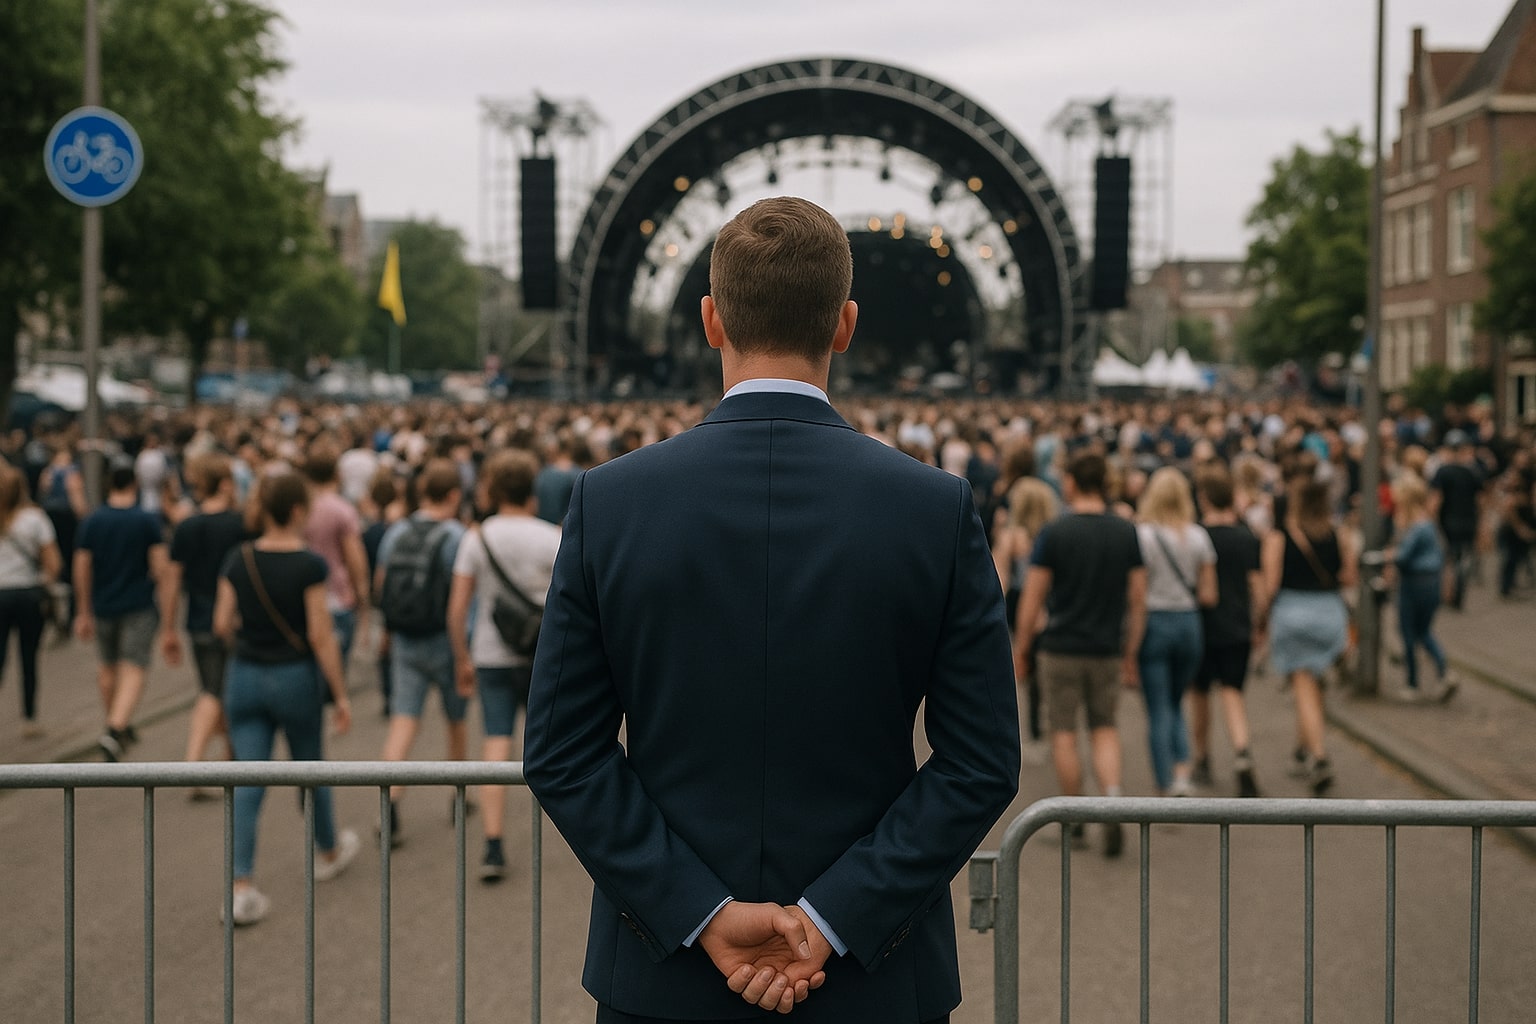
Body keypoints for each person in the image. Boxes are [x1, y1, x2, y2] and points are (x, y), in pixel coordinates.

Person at [524, 197, 1019, 1023]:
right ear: (845, 324)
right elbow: (981, 759)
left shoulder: (611, 501)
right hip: (872, 978)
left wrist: (698, 909)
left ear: (712, 319)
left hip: (665, 977)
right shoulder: (933, 507)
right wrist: (834, 915)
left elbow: (562, 751)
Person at [213, 472, 359, 925]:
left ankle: (241, 885)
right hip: (294, 676)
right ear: (297, 512)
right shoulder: (308, 565)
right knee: (310, 766)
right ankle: (327, 850)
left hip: (246, 675)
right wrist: (340, 694)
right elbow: (320, 635)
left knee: (248, 778)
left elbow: (221, 623)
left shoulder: (238, 559)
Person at [1014, 448, 1144, 859]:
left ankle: (1076, 819)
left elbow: (1033, 598)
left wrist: (1021, 648)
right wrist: (1130, 650)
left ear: (1071, 483)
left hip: (1061, 647)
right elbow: (1138, 599)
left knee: (1064, 732)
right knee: (1105, 727)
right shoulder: (1126, 532)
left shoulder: (1056, 532)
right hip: (1106, 646)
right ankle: (1111, 798)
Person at [446, 449, 561, 883]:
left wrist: (461, 656)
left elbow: (457, 608)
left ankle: (492, 842)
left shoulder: (477, 538)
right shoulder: (549, 536)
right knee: (552, 748)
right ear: (530, 490)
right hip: (541, 655)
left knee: (496, 741)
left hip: (491, 653)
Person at [374, 459, 468, 847]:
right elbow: (462, 600)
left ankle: (389, 801)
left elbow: (382, 585)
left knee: (404, 721)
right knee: (455, 720)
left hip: (407, 640)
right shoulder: (456, 535)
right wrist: (465, 652)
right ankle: (458, 794)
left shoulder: (397, 531)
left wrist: (387, 631)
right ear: (453, 495)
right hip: (445, 640)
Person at [1262, 477, 1356, 796]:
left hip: (1293, 614)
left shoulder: (1280, 537)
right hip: (1329, 614)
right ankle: (1302, 751)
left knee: (1302, 684)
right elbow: (1348, 576)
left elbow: (1270, 585)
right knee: (1314, 685)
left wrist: (1261, 621)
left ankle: (1319, 757)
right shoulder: (1339, 534)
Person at [160, 454, 248, 787]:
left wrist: (168, 627)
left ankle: (231, 759)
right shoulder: (242, 525)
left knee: (217, 689)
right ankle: (194, 766)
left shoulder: (187, 527)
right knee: (216, 692)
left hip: (197, 618)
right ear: (225, 484)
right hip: (236, 620)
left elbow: (172, 580)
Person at [75, 460, 168, 761]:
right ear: (134, 484)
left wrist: (83, 610)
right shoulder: (146, 520)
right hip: (138, 604)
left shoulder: (92, 521)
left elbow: (82, 566)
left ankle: (116, 724)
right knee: (134, 667)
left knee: (107, 666)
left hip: (103, 604)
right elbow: (159, 566)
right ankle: (116, 728)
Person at [1134, 467, 1217, 797]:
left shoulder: (1143, 535)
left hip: (1155, 620)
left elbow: (1138, 592)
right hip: (1189, 622)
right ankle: (1182, 770)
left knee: (1157, 706)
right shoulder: (1198, 536)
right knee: (1175, 700)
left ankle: (1164, 783)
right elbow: (1209, 594)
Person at [1191, 466, 1264, 797]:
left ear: (1204, 498)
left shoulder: (1197, 536)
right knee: (1233, 691)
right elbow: (1258, 589)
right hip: (1237, 626)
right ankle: (1242, 751)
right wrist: (1260, 621)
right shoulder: (1246, 537)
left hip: (1203, 624)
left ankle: (1202, 757)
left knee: (1200, 692)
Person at [991, 476, 1058, 753]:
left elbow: (999, 578)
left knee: (1022, 664)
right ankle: (1045, 722)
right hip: (1051, 602)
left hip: (1020, 603)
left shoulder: (1011, 536)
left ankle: (1031, 729)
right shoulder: (1052, 533)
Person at [0, 464, 62, 738]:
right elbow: (53, 563)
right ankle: (29, 717)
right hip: (27, 594)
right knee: (28, 657)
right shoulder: (35, 519)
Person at [300, 444, 372, 673]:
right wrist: (363, 603)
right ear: (336, 474)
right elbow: (356, 562)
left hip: (302, 596)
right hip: (338, 596)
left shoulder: (299, 508)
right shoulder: (343, 510)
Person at [1386, 474, 1453, 700]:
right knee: (1423, 631)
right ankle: (1444, 671)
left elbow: (1403, 556)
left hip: (1414, 582)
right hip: (1431, 581)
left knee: (1408, 631)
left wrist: (1391, 555)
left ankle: (1412, 682)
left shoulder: (1416, 526)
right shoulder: (1429, 523)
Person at [1430, 431, 1484, 610]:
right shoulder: (1472, 472)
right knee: (1463, 558)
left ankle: (1449, 593)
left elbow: (1436, 500)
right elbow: (1480, 500)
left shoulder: (1443, 472)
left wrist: (1432, 521)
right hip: (1469, 521)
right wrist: (1482, 523)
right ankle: (1458, 591)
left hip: (1449, 521)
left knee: (1450, 559)